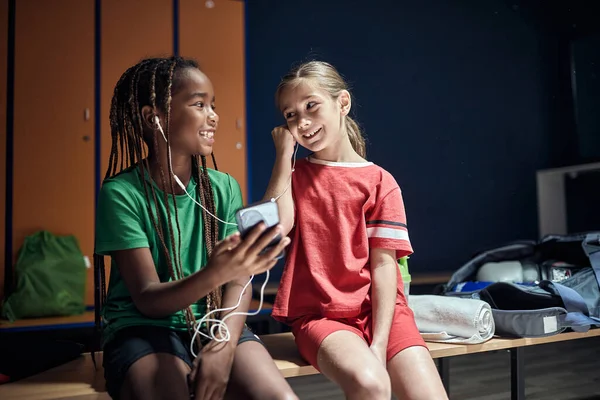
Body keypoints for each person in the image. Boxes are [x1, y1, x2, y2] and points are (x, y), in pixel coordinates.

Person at [94, 56, 297, 400]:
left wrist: (224, 346)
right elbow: (147, 300)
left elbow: (239, 282)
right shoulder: (121, 193)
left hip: (216, 323)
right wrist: (217, 272)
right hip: (145, 329)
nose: (213, 115)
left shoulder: (222, 187)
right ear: (153, 117)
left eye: (213, 105)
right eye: (199, 104)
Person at [264, 61, 448, 400]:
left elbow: (383, 266)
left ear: (342, 103)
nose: (302, 122)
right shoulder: (294, 176)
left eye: (311, 106)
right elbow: (275, 228)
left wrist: (378, 345)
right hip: (321, 315)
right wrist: (282, 156)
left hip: (382, 313)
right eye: (290, 115)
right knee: (370, 383)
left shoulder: (381, 182)